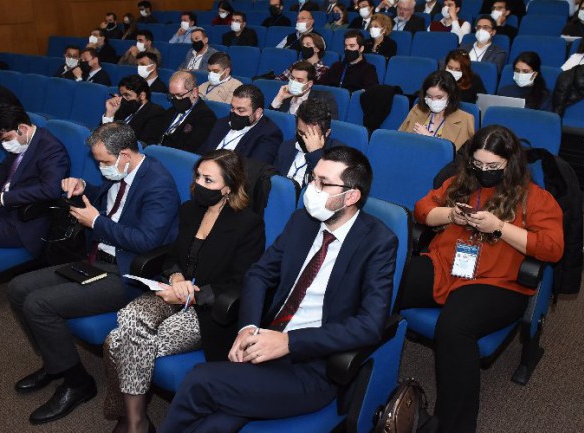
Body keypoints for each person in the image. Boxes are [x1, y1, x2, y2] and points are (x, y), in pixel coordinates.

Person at [158, 146, 398, 433]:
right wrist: (247, 327)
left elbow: (369, 325)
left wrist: (289, 342)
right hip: (265, 343)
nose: (312, 188)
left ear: (351, 196)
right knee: (216, 423)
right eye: (312, 178)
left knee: (199, 381)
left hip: (314, 365)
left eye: (323, 183)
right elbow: (259, 274)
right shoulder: (303, 222)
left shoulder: (378, 242)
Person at [6, 122, 180, 425]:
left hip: (127, 272)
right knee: (18, 288)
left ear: (125, 154)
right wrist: (86, 187)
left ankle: (77, 383)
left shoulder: (158, 185)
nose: (101, 167)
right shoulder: (123, 172)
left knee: (39, 304)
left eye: (103, 161)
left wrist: (96, 222)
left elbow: (147, 242)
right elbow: (114, 201)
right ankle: (54, 362)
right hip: (98, 259)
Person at [400, 125, 564, 433]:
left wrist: (499, 227)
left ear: (510, 163)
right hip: (445, 265)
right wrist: (451, 215)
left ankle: (452, 427)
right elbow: (423, 209)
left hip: (497, 282)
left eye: (493, 166)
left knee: (454, 325)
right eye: (478, 164)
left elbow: (552, 248)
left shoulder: (535, 198)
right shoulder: (461, 182)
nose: (484, 171)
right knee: (387, 284)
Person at [103, 149, 265, 433]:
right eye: (198, 177)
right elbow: (172, 256)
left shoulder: (247, 224)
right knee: (128, 317)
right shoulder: (190, 210)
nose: (199, 184)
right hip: (173, 292)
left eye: (208, 180)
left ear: (228, 187)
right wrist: (176, 276)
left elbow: (241, 281)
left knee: (115, 342)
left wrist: (192, 295)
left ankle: (132, 421)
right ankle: (137, 420)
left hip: (208, 309)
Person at [0, 105, 69, 323]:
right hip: (5, 211)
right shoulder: (23, 143)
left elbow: (50, 189)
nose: (5, 145)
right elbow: (2, 168)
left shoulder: (51, 149)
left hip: (25, 223)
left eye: (6, 139)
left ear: (22, 128)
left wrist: (2, 198)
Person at [199, 84, 283, 164]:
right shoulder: (222, 123)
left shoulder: (269, 134)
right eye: (232, 108)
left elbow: (255, 169)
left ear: (258, 113)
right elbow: (201, 153)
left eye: (241, 110)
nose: (235, 113)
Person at [274, 99, 343, 187]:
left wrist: (316, 154)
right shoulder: (286, 147)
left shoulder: (337, 155)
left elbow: (326, 187)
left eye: (311, 135)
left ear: (326, 133)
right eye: (301, 133)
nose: (304, 139)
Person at [399, 70, 475, 150]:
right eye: (429, 96)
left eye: (439, 97)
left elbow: (464, 155)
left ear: (451, 96)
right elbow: (399, 140)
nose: (433, 101)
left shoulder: (465, 120)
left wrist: (430, 139)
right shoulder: (417, 110)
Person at [155, 71, 218, 152]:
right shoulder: (172, 110)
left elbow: (190, 148)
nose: (175, 99)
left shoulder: (205, 117)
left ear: (194, 92)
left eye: (179, 95)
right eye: (172, 95)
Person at [102, 75, 166, 145]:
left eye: (127, 95)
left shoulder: (156, 113)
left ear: (142, 95)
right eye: (121, 95)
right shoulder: (120, 108)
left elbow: (142, 144)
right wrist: (109, 114)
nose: (122, 99)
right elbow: (101, 134)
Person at [270, 61, 339, 119]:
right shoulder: (285, 98)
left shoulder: (324, 98)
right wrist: (279, 98)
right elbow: (268, 122)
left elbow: (330, 125)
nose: (294, 82)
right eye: (292, 78)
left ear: (309, 84)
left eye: (299, 80)